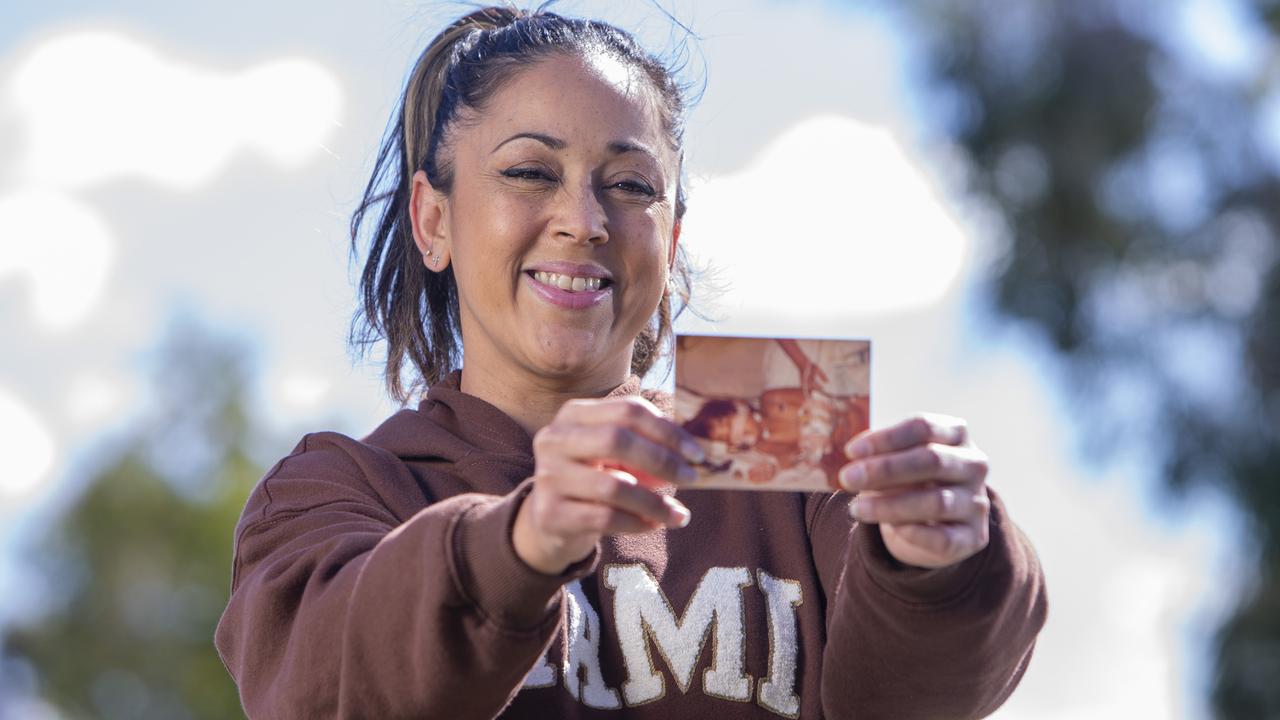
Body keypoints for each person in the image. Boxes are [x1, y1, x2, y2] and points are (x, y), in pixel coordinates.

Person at [214, 5, 1048, 719]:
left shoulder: (782, 443)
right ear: (434, 221)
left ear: (674, 237)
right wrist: (525, 537)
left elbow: (910, 695)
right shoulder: (343, 487)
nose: (584, 220)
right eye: (531, 172)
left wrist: (940, 559)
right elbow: (326, 687)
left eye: (632, 186)